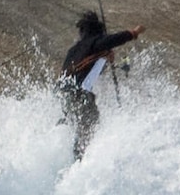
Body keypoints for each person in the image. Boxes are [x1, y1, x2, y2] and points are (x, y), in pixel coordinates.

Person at [59, 11, 145, 160]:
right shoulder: (94, 42)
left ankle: (67, 155)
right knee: (90, 122)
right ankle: (79, 161)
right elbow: (113, 40)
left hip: (64, 94)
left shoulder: (73, 50)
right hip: (79, 94)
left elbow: (85, 72)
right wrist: (133, 33)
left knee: (75, 124)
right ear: (98, 31)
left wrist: (104, 58)